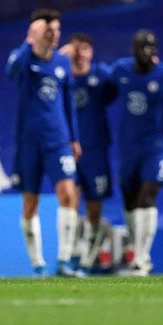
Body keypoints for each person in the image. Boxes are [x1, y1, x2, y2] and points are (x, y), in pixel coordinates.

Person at [6, 9, 82, 278]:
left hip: (58, 140)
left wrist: (74, 138)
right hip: (29, 142)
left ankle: (64, 260)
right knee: (30, 203)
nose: (54, 35)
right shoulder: (23, 59)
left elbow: (68, 103)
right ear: (37, 32)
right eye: (49, 30)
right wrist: (29, 41)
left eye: (57, 30)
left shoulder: (62, 63)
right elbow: (12, 71)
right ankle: (38, 264)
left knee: (68, 194)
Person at [110, 29, 163, 276]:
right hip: (127, 148)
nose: (149, 52)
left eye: (152, 47)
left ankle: (143, 257)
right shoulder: (120, 71)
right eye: (144, 47)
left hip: (155, 147)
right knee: (130, 202)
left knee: (148, 195)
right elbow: (102, 92)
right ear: (133, 50)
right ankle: (137, 249)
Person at [60, 33, 117, 274]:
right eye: (76, 49)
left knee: (95, 205)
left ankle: (87, 257)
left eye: (85, 48)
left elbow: (117, 89)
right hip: (68, 148)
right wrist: (61, 56)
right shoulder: (62, 77)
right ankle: (68, 254)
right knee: (69, 198)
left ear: (92, 53)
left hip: (96, 149)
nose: (81, 53)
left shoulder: (102, 76)